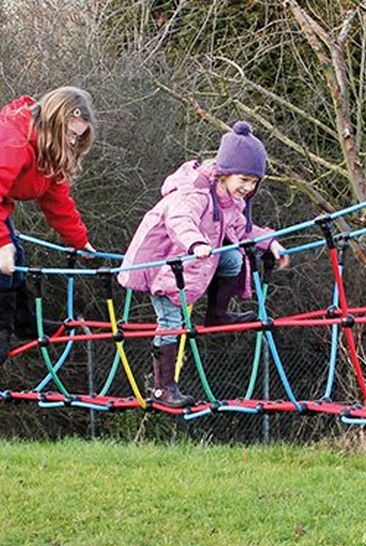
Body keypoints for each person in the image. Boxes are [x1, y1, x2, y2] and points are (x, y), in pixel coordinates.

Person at [118, 121, 289, 407]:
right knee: (171, 322)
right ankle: (163, 388)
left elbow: (243, 231)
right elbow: (179, 219)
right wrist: (196, 243)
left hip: (189, 266)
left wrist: (271, 242)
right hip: (162, 264)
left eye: (253, 182)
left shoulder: (230, 201)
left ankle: (217, 314)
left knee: (233, 256)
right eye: (243, 180)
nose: (247, 188)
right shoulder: (195, 192)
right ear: (224, 173)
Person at [0, 86, 97, 363]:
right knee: (7, 252)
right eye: (70, 134)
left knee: (18, 253)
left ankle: (23, 321)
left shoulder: (49, 152)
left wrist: (79, 240)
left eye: (78, 137)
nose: (72, 142)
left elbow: (58, 201)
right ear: (52, 123)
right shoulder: (11, 141)